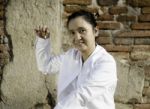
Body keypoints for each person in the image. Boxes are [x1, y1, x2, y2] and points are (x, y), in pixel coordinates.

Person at [34, 10, 117, 109]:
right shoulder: (70, 56)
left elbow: (82, 95)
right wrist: (43, 41)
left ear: (95, 31)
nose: (77, 37)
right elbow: (45, 66)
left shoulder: (105, 63)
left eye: (82, 30)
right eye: (73, 32)